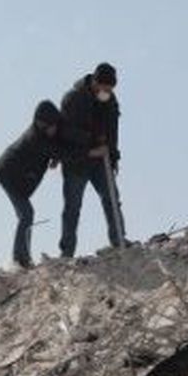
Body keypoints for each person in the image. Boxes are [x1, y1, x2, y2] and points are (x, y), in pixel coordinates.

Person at [57, 62, 125, 257]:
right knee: (73, 206)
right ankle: (67, 252)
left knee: (112, 199)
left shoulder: (110, 101)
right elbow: (66, 133)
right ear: (95, 82)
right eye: (103, 88)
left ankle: (118, 239)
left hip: (101, 162)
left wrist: (113, 156)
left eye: (110, 89)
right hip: (77, 161)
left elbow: (113, 131)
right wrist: (91, 144)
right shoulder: (73, 99)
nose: (106, 92)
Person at [0, 100, 63, 269]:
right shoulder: (35, 139)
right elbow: (58, 151)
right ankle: (20, 259)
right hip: (7, 174)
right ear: (41, 123)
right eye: (51, 125)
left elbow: (54, 150)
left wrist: (55, 157)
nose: (54, 129)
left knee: (25, 214)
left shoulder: (43, 135)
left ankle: (22, 257)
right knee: (26, 214)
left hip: (19, 177)